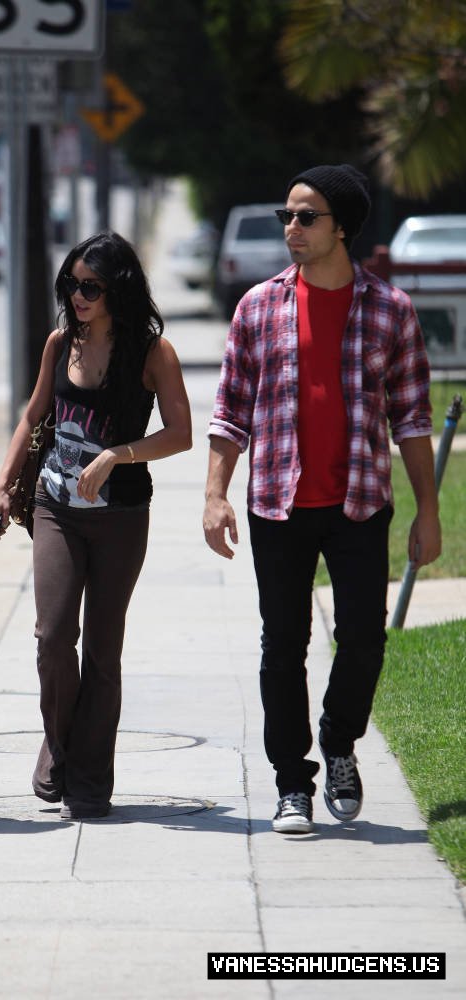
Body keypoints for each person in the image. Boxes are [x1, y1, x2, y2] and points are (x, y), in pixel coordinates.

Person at [203, 165, 441, 834]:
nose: (291, 229)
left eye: (305, 217)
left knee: (363, 637)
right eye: (287, 215)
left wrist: (428, 510)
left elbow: (413, 419)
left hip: (359, 502)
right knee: (282, 644)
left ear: (341, 227)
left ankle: (338, 743)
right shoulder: (257, 306)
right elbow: (229, 412)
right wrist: (214, 495)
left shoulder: (389, 310)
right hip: (277, 502)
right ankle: (290, 785)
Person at [0, 231, 192, 820]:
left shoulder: (153, 353)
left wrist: (115, 455)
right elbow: (32, 418)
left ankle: (90, 777)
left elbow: (180, 433)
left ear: (117, 288)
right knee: (53, 637)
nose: (78, 296)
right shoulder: (61, 344)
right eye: (72, 284)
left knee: (103, 648)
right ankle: (58, 742)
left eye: (91, 287)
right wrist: (3, 485)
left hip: (122, 516)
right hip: (55, 508)